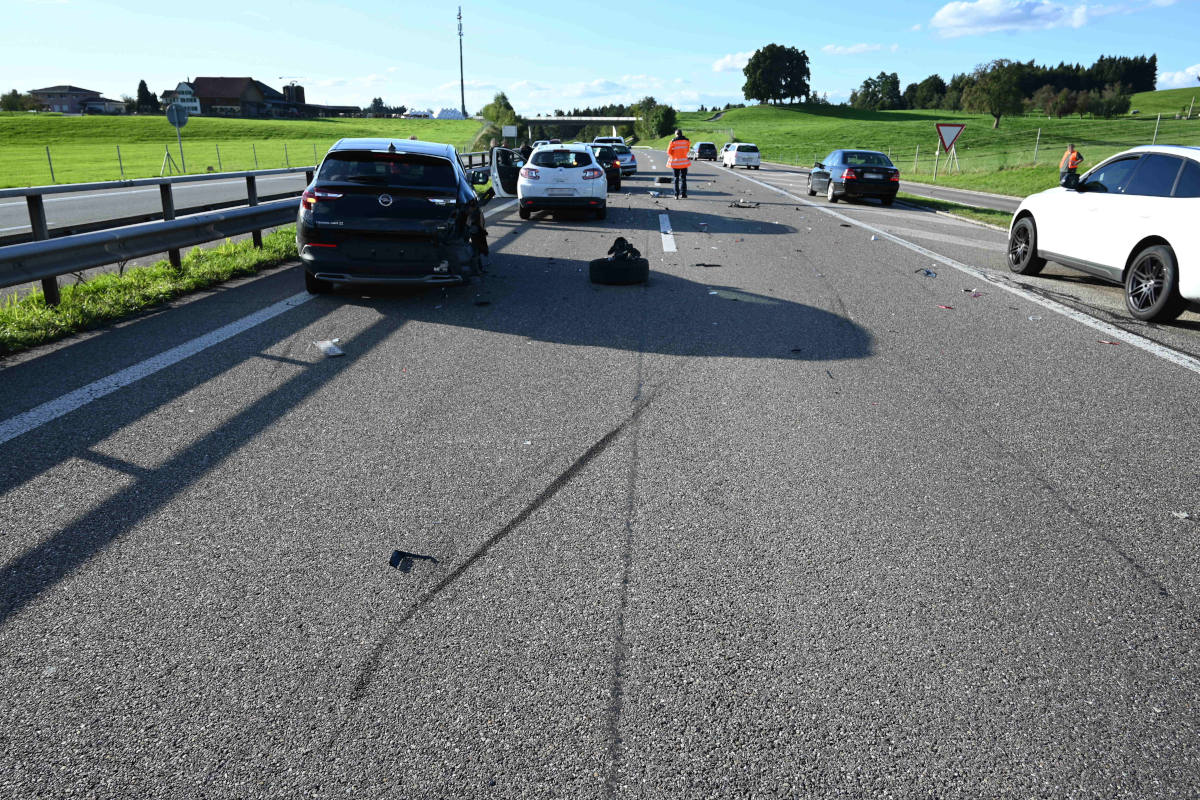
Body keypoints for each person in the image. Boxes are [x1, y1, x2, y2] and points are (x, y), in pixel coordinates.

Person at [667, 128, 692, 199]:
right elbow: (687, 150)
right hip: (684, 163)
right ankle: (683, 194)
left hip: (675, 163)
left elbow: (668, 152)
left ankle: (676, 194)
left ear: (676, 134)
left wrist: (674, 155)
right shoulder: (687, 141)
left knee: (676, 179)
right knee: (683, 178)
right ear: (681, 133)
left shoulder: (673, 141)